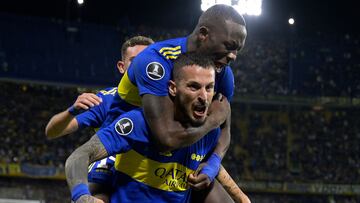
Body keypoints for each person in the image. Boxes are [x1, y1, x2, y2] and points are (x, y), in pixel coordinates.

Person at [109, 4, 247, 201]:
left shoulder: (222, 75)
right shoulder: (156, 61)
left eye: (237, 50)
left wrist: (214, 163)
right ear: (203, 34)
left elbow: (225, 129)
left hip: (180, 156)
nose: (233, 56)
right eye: (229, 46)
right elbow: (166, 139)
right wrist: (213, 120)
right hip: (123, 151)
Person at [65, 52, 232, 203]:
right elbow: (80, 156)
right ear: (173, 88)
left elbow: (223, 139)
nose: (203, 96)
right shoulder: (139, 123)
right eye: (194, 87)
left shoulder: (209, 132)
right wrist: (81, 196)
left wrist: (214, 164)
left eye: (209, 87)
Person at [45, 35, 154, 202]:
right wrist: (70, 112)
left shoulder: (169, 100)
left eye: (146, 61)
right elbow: (52, 132)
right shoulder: (105, 100)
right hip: (109, 177)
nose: (141, 67)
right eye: (134, 61)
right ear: (121, 66)